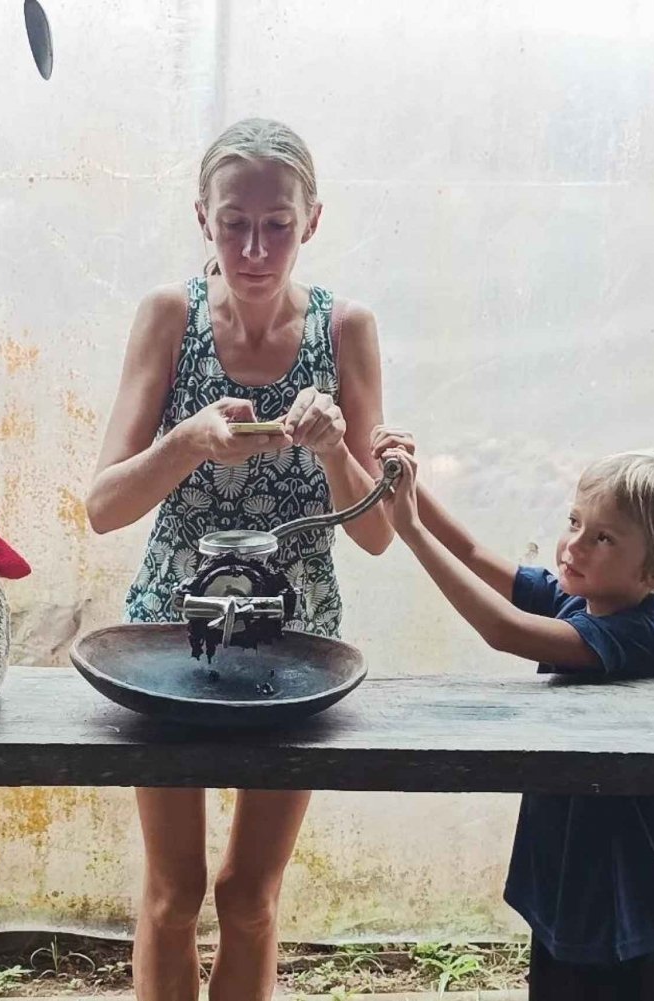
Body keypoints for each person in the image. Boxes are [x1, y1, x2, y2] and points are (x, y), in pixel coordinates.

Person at [86, 118, 394, 1001]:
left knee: (248, 895)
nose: (255, 247)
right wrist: (183, 442)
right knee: (174, 891)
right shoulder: (170, 316)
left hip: (298, 638)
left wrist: (337, 448)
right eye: (233, 223)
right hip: (167, 635)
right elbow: (105, 504)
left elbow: (373, 532)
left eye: (278, 224)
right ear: (202, 217)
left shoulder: (347, 330)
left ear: (314, 220)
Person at [373, 426, 654, 1001]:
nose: (574, 546)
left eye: (604, 538)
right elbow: (473, 554)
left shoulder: (647, 636)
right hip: (565, 867)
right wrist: (402, 478)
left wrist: (408, 529)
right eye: (574, 522)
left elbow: (505, 631)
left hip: (616, 895)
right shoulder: (582, 596)